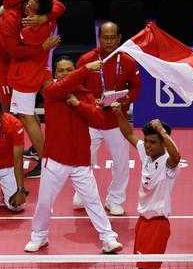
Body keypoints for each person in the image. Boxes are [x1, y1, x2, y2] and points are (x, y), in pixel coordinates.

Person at [24, 56, 122, 253]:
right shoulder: (51, 92)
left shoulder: (84, 95)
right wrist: (86, 68)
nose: (65, 74)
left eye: (69, 69)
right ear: (55, 74)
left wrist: (78, 104)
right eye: (61, 70)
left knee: (92, 201)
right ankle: (39, 236)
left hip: (80, 161)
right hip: (55, 159)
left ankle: (108, 238)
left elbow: (98, 120)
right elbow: (67, 83)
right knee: (44, 202)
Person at [111, 102, 181, 269]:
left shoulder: (169, 164)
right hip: (143, 222)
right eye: (148, 142)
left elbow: (176, 154)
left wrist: (162, 131)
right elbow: (128, 133)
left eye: (153, 143)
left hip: (158, 225)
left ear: (163, 141)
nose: (148, 147)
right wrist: (119, 112)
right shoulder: (147, 153)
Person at [71, 21, 141, 215]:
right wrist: (90, 101)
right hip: (90, 120)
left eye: (112, 37)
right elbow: (77, 86)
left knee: (121, 163)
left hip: (116, 121)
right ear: (99, 38)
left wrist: (125, 100)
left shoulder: (127, 61)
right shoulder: (86, 59)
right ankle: (83, 193)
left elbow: (136, 87)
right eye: (105, 37)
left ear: (119, 38)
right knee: (84, 160)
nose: (108, 41)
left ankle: (115, 199)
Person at [6, 0, 64, 179]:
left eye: (31, 3)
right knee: (29, 114)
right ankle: (39, 150)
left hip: (26, 75)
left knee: (27, 117)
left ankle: (45, 161)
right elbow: (57, 5)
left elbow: (16, 51)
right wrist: (45, 17)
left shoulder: (28, 29)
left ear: (35, 10)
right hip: (39, 69)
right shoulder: (49, 18)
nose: (27, 4)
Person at [0, 0, 62, 112]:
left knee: (48, 96)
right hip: (7, 59)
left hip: (32, 58)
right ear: (28, 1)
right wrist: (42, 48)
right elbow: (14, 51)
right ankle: (7, 127)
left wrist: (45, 17)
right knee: (8, 104)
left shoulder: (41, 7)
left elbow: (60, 7)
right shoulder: (10, 18)